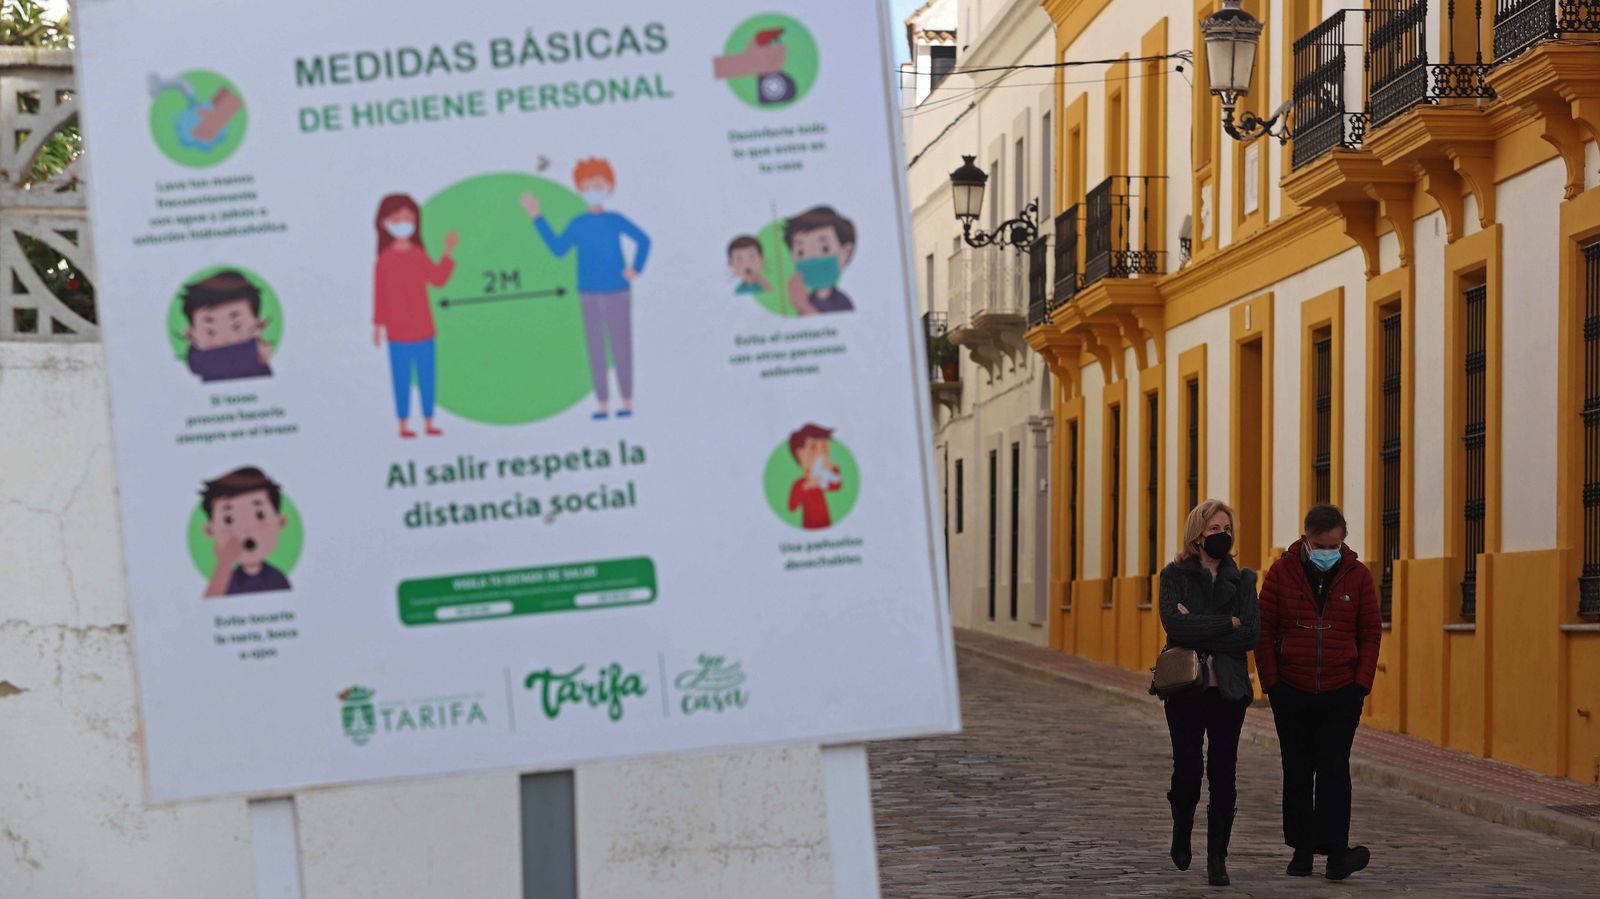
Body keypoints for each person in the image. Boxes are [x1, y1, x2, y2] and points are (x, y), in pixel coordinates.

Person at [1256, 503, 1381, 881]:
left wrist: (1361, 685)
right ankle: (1301, 850)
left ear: (1343, 541)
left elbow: (1370, 633)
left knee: (1334, 770)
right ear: (1307, 539)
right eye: (1321, 546)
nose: (1328, 552)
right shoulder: (1281, 573)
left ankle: (1336, 852)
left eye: (1335, 546)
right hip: (1291, 690)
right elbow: (1264, 629)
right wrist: (1273, 684)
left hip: (1341, 691)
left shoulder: (1358, 576)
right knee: (1297, 771)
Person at [1156, 499, 1259, 887]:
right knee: (1188, 769)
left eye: (1226, 529)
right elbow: (1175, 627)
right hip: (1186, 687)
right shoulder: (1174, 576)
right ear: (1197, 534)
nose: (1222, 535)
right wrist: (1225, 623)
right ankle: (1181, 826)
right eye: (1214, 529)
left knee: (1223, 771)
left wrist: (1198, 625)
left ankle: (1218, 857)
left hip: (1228, 690)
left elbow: (1250, 634)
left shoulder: (1243, 580)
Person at [521, 158, 651, 420]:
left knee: (622, 347)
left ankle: (627, 402)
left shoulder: (614, 219)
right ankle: (603, 404)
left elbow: (644, 240)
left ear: (610, 186)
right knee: (595, 350)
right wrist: (537, 217)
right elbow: (558, 249)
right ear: (580, 189)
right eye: (587, 186)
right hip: (588, 294)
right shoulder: (578, 223)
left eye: (598, 185)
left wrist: (635, 268)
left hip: (617, 292)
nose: (593, 190)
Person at [372, 193, 458, 439]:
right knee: (401, 380)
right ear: (384, 223)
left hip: (424, 330)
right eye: (396, 218)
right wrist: (378, 325)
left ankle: (429, 422)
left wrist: (448, 252)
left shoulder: (419, 255)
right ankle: (403, 424)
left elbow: (438, 279)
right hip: (398, 333)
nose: (403, 223)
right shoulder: (384, 260)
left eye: (408, 218)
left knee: (427, 378)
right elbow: (380, 294)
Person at [200, 466, 291, 598]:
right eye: (228, 519)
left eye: (259, 514)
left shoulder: (278, 579)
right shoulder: (225, 582)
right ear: (210, 531)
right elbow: (210, 603)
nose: (246, 529)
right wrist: (224, 565)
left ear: (280, 522)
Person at [179, 270, 273, 383]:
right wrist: (254, 353)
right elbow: (203, 364)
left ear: (259, 326)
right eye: (210, 331)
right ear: (191, 335)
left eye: (236, 326)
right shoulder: (200, 361)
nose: (225, 339)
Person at [784, 206, 856, 315]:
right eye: (801, 252)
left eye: (825, 249)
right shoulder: (811, 298)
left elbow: (834, 323)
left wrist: (803, 305)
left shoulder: (841, 301)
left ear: (846, 252)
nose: (812, 258)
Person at [786, 423, 842, 529]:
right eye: (813, 448)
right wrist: (805, 487)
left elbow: (837, 485)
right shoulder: (799, 484)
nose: (820, 454)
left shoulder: (822, 477)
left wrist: (831, 468)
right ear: (800, 454)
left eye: (824, 448)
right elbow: (792, 507)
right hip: (809, 526)